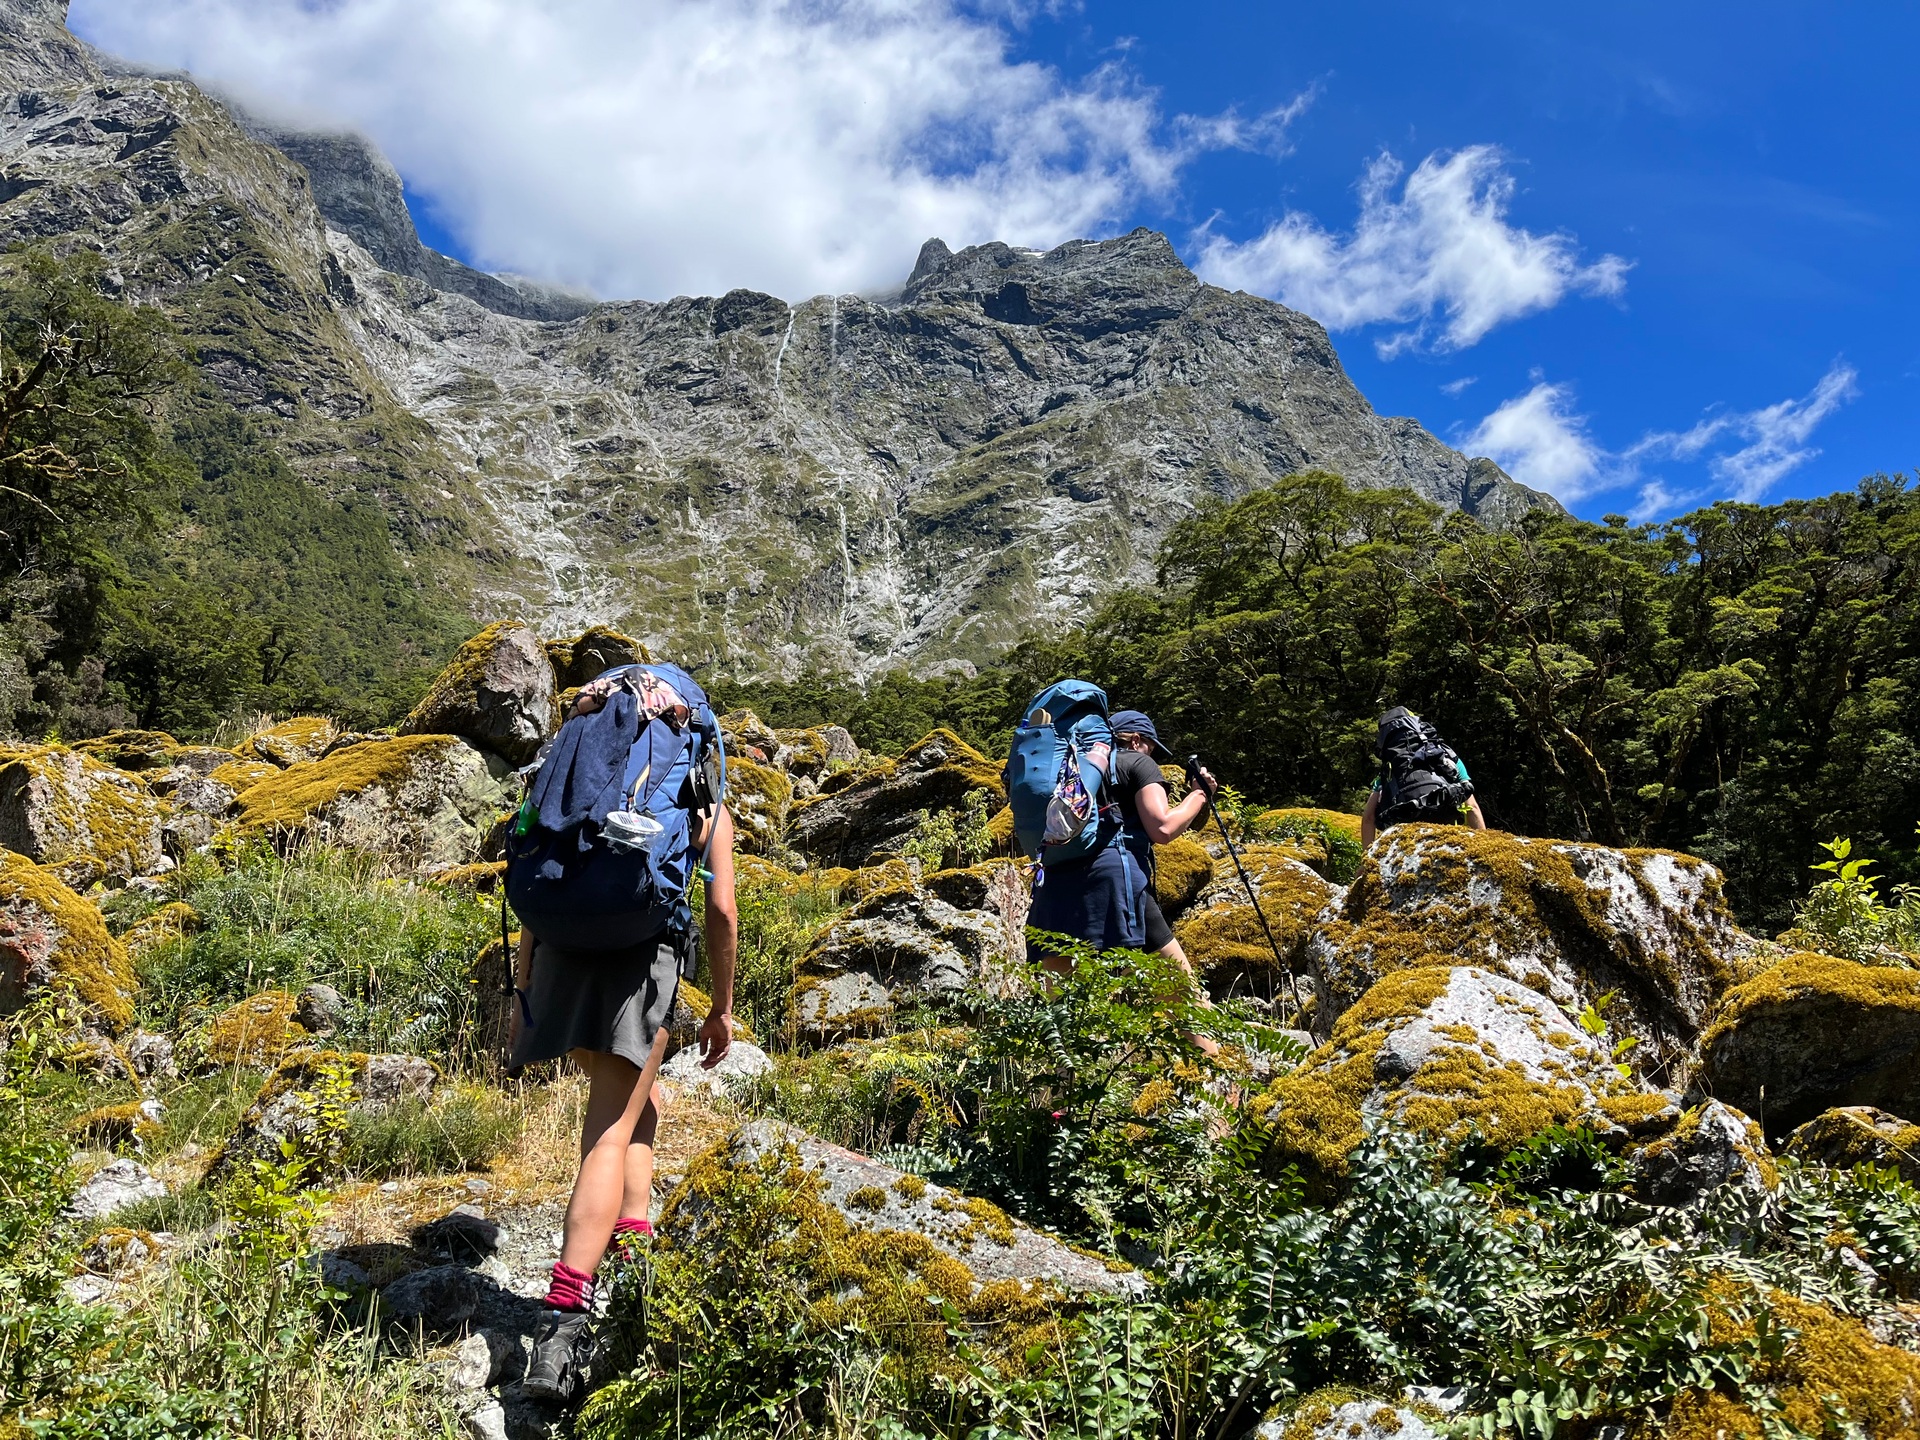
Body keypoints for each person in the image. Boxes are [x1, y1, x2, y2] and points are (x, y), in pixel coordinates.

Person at [509, 677, 738, 1403]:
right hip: (641, 957)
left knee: (642, 1107)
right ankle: (562, 1323)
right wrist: (722, 1010)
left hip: (558, 950)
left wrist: (522, 988)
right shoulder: (699, 794)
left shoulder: (581, 764)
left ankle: (634, 1254)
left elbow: (532, 861)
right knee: (607, 1132)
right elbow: (723, 911)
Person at [1025, 706, 1217, 983]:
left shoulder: (1068, 770)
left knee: (1070, 1014)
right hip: (1116, 886)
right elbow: (1162, 827)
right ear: (1137, 740)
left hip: (1053, 891)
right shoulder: (1137, 763)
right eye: (1150, 747)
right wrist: (1199, 794)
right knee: (1185, 1000)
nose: (1151, 754)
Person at [1359, 704, 1486, 846]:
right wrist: (1483, 848)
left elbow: (1368, 818)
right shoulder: (1445, 754)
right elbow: (1472, 806)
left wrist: (1365, 862)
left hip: (1405, 836)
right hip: (1447, 828)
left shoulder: (1390, 767)